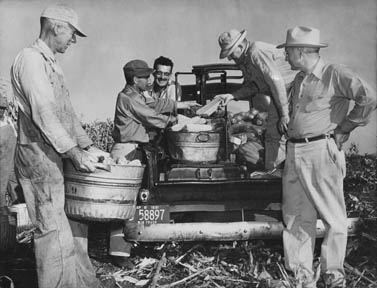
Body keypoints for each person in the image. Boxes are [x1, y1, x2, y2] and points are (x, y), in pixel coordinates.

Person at [11, 5, 106, 288]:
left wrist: (88, 146)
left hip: (55, 154)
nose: (73, 41)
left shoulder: (51, 63)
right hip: (39, 157)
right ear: (56, 27)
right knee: (52, 233)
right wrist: (74, 152)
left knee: (73, 229)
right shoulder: (30, 60)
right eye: (72, 34)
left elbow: (68, 113)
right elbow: (44, 113)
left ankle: (85, 284)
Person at [277, 26, 376, 288]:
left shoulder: (335, 73)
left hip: (320, 150)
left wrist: (345, 128)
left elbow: (369, 98)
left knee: (333, 218)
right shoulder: (299, 80)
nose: (286, 56)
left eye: (288, 51)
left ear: (300, 52)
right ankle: (301, 277)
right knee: (296, 217)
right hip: (295, 151)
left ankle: (333, 277)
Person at [109, 59, 178, 267]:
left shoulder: (134, 95)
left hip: (134, 150)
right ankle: (118, 255)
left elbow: (153, 104)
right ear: (135, 79)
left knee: (136, 202)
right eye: (146, 77)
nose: (150, 80)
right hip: (127, 151)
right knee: (124, 204)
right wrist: (174, 121)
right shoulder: (128, 98)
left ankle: (133, 244)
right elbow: (150, 115)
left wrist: (176, 104)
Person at [214, 29, 297, 171]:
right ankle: (273, 174)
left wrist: (284, 114)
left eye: (231, 53)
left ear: (240, 47)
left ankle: (279, 175)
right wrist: (232, 96)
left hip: (289, 90)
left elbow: (276, 81)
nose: (230, 58)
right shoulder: (245, 60)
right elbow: (254, 86)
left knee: (282, 134)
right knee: (272, 136)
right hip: (279, 93)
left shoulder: (255, 51)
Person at [0, 82, 17, 207]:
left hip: (12, 162)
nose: (1, 111)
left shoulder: (9, 122)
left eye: (3, 108)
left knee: (14, 184)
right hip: (3, 162)